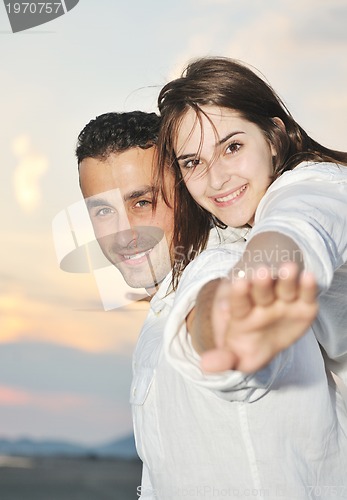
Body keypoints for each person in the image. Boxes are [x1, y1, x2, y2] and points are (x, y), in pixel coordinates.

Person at [130, 58, 347, 498]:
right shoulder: (213, 245)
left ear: (274, 134)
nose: (216, 178)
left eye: (231, 147)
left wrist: (251, 293)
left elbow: (299, 228)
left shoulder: (315, 185)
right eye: (193, 161)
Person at [75, 111, 246, 495]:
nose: (124, 234)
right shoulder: (162, 306)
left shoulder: (225, 274)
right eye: (103, 211)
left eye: (142, 202)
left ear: (187, 192)